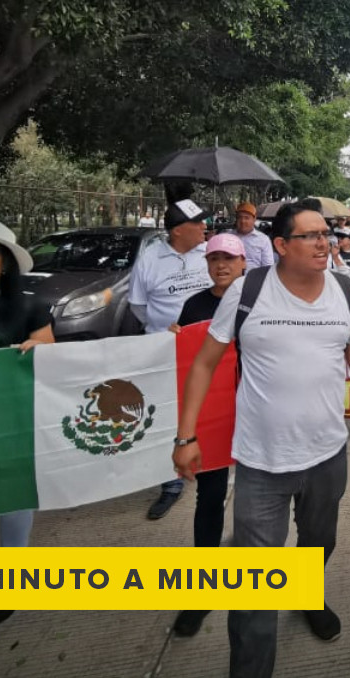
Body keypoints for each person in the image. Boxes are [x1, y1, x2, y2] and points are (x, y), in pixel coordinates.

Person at [173, 202, 350, 678]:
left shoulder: (344, 290)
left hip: (328, 456)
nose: (323, 242)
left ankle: (306, 594)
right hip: (261, 464)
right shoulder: (248, 291)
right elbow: (204, 363)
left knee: (318, 544)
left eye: (325, 233)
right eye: (310, 235)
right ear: (282, 245)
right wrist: (186, 435)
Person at [0, 219, 56, 627]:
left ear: (4, 261)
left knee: (14, 501)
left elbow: (52, 359)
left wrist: (39, 348)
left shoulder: (29, 307)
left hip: (12, 424)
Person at [165, 233, 247, 638]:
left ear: (244, 262)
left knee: (260, 503)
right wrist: (174, 340)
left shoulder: (261, 300)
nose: (221, 265)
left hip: (257, 416)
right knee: (210, 498)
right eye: (214, 258)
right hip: (214, 418)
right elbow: (188, 363)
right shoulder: (195, 305)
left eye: (229, 258)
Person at [129, 197, 213, 519]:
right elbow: (138, 306)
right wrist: (162, 328)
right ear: (178, 230)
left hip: (209, 349)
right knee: (169, 414)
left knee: (209, 407)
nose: (205, 226)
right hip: (167, 352)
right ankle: (171, 482)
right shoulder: (150, 259)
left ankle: (211, 459)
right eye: (198, 222)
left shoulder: (209, 253)